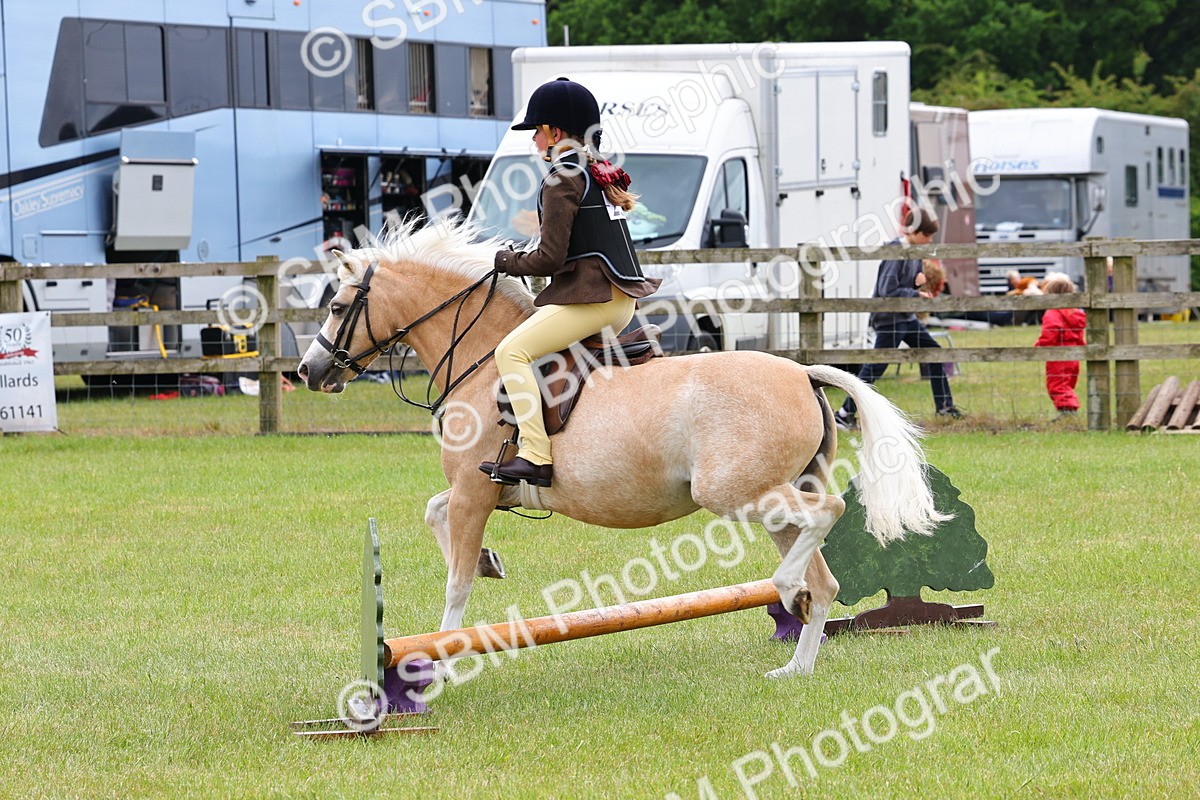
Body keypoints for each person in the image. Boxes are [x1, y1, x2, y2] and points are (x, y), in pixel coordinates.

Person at [479, 78, 661, 488]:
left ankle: (535, 455)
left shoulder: (562, 177)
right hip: (620, 298)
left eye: (537, 132)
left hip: (594, 300)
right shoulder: (595, 172)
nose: (534, 142)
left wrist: (507, 261)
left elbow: (550, 258)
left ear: (555, 133)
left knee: (511, 352)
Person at [834, 210, 963, 431]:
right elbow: (887, 290)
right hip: (890, 320)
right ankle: (844, 414)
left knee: (935, 353)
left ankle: (944, 406)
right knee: (875, 368)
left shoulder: (913, 253)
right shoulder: (895, 252)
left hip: (906, 318)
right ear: (914, 232)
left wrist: (916, 284)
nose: (930, 241)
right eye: (927, 236)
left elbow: (902, 285)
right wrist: (914, 293)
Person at [1034, 272, 1086, 418]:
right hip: (1074, 356)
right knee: (1067, 383)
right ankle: (1067, 410)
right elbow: (1079, 334)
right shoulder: (1075, 312)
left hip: (1058, 355)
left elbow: (1050, 332)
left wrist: (1040, 346)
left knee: (1057, 385)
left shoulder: (1053, 312)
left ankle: (1068, 412)